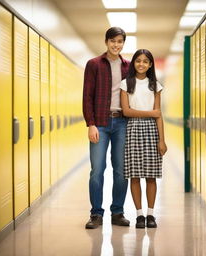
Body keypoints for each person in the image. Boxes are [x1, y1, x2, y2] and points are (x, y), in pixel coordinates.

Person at [83, 27, 130, 229]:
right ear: (106, 41)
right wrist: (91, 123)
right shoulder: (94, 64)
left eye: (120, 41)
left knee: (121, 171)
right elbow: (87, 96)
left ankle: (117, 212)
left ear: (123, 43)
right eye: (112, 41)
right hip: (100, 124)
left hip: (122, 123)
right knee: (97, 170)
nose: (116, 45)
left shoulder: (128, 67)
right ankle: (96, 214)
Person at [120, 49, 167, 229]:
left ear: (150, 64)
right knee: (134, 176)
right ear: (133, 63)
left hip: (151, 131)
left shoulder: (155, 85)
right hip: (132, 129)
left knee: (151, 176)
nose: (141, 64)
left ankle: (150, 214)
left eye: (145, 61)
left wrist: (161, 140)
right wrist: (151, 113)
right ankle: (139, 215)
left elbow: (159, 115)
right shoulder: (126, 84)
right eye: (138, 61)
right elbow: (126, 111)